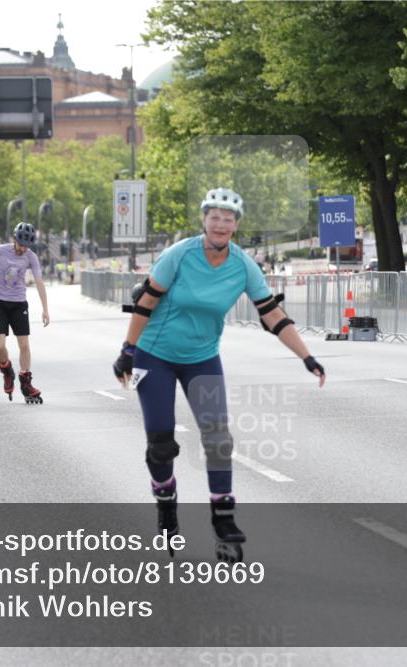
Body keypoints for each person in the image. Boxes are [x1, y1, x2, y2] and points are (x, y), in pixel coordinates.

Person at [112, 188, 326, 563]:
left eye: (228, 219)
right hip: (155, 356)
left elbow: (272, 315)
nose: (221, 224)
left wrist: (306, 357)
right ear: (204, 220)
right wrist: (128, 351)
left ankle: (224, 522)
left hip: (201, 358)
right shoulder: (179, 255)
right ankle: (166, 506)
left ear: (236, 226)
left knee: (218, 438)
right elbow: (146, 302)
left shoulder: (243, 265)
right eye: (215, 217)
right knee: (160, 445)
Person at [0, 222, 49, 404]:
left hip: (18, 303)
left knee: (24, 344)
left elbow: (39, 281)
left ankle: (26, 382)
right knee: (0, 346)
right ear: (15, 240)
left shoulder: (31, 257)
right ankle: (6, 369)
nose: (23, 249)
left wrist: (45, 309)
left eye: (27, 245)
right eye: (21, 244)